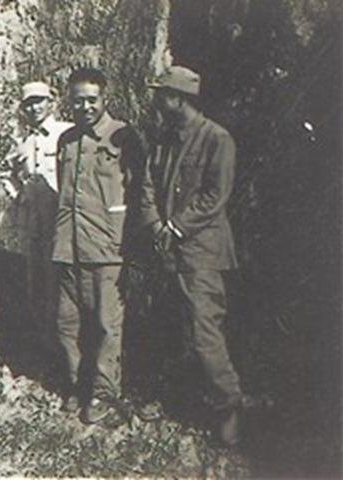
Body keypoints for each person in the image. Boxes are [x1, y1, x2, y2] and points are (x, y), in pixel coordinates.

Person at [141, 65, 243, 446]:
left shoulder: (217, 139)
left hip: (202, 253)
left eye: (161, 93)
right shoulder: (165, 138)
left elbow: (216, 195)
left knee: (205, 333)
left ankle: (228, 406)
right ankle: (180, 398)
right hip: (168, 250)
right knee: (172, 331)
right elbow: (148, 185)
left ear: (178, 99)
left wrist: (176, 227)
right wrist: (155, 226)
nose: (155, 100)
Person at [52, 68, 144, 424]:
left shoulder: (123, 137)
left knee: (106, 325)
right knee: (67, 323)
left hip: (107, 247)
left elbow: (137, 192)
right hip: (68, 246)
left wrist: (128, 241)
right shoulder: (67, 141)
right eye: (78, 100)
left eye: (92, 99)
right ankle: (79, 385)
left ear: (105, 98)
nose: (85, 106)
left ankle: (104, 395)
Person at [0, 81, 74, 356]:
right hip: (35, 225)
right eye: (29, 103)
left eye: (39, 101)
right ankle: (46, 350)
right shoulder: (24, 142)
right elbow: (7, 174)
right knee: (38, 286)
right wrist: (20, 196)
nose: (34, 107)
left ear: (51, 102)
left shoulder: (67, 132)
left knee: (64, 286)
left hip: (63, 222)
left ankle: (69, 352)